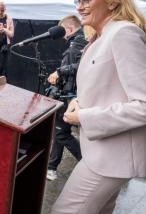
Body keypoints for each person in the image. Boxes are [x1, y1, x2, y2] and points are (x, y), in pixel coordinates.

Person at [51, 0, 146, 214]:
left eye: (86, 0)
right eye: (78, 1)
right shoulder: (101, 37)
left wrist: (84, 117)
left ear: (112, 0)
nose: (79, 7)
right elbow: (105, 85)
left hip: (112, 157)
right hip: (103, 153)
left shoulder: (124, 34)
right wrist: (78, 101)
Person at [46, 15, 87, 181]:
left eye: (63, 31)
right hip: (70, 93)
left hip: (71, 95)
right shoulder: (80, 39)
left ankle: (86, 162)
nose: (62, 35)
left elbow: (79, 67)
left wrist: (59, 72)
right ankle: (51, 167)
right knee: (60, 130)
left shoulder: (78, 41)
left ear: (69, 28)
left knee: (61, 133)